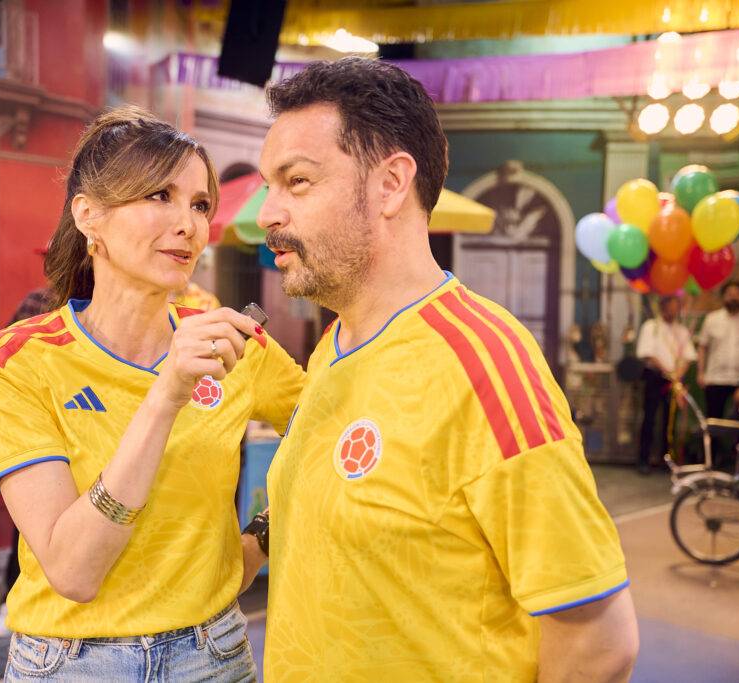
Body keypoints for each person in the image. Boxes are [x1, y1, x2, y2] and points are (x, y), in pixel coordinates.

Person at [252, 57, 638, 681]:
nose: (268, 212)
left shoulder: (485, 363)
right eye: (270, 185)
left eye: (296, 182)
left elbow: (598, 640)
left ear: (390, 184)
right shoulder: (335, 345)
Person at [0, 105, 304, 681]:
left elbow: (333, 430)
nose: (188, 224)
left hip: (215, 653)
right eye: (159, 196)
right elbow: (74, 572)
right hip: (71, 662)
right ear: (88, 216)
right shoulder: (16, 360)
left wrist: (258, 541)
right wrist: (167, 393)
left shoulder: (236, 345)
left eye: (199, 204)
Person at [0, 286, 54, 640]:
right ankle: (9, 600)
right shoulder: (38, 302)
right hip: (38, 427)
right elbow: (9, 352)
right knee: (28, 527)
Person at [636, 295, 697, 473]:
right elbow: (647, 353)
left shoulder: (682, 331)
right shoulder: (651, 327)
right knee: (650, 418)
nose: (674, 310)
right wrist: (667, 372)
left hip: (675, 381)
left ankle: (666, 457)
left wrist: (677, 375)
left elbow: (688, 357)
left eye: (676, 306)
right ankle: (644, 458)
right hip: (655, 377)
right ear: (663, 306)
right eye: (671, 306)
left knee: (669, 420)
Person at [697, 280, 739, 420]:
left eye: (737, 294)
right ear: (723, 297)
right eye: (730, 294)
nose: (734, 298)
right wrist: (700, 373)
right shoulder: (712, 319)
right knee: (714, 419)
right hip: (716, 377)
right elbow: (703, 346)